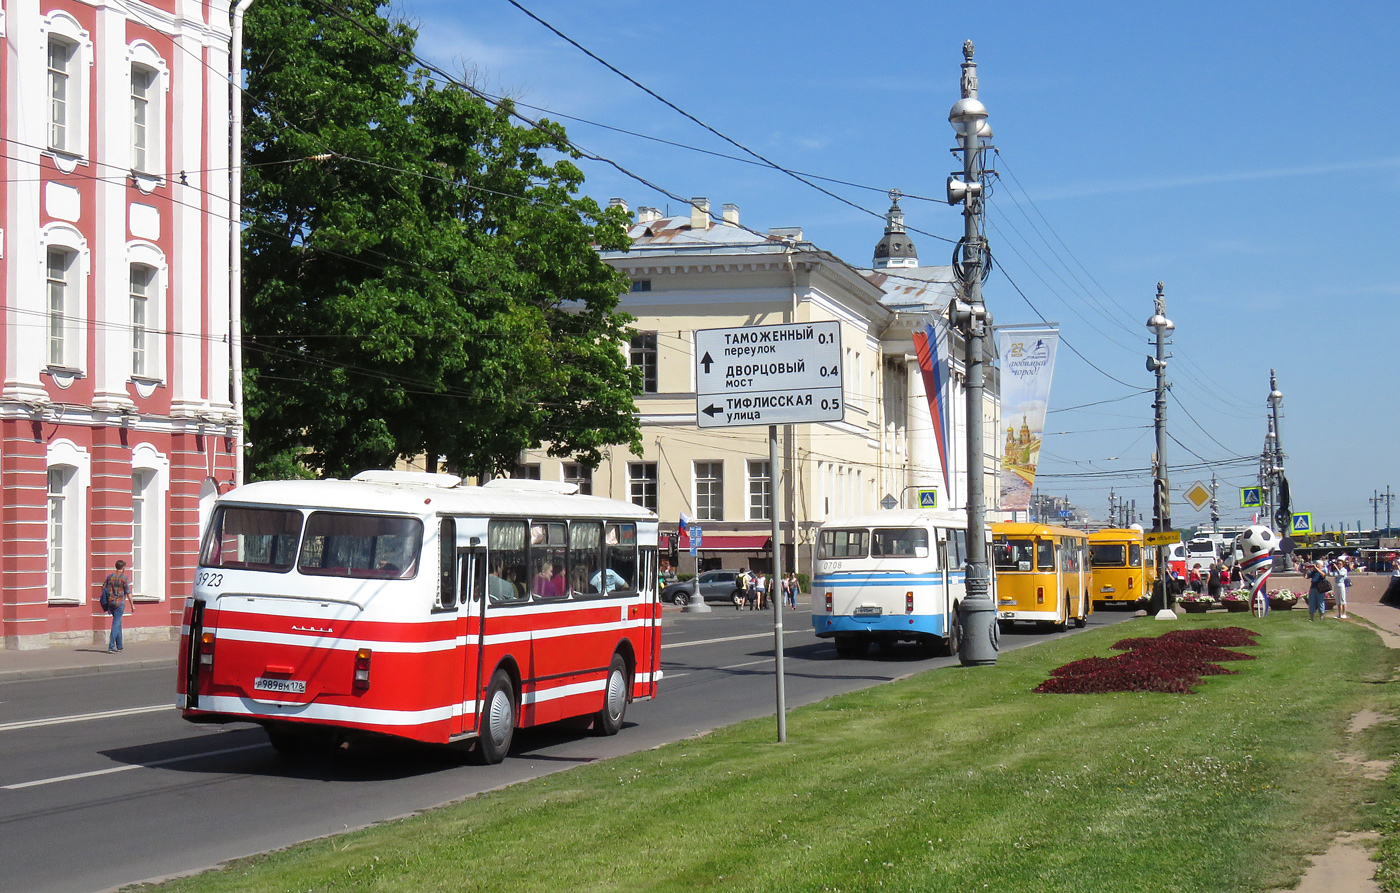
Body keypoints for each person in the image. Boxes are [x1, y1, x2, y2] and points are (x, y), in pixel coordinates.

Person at [101, 560, 134, 652]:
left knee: (118, 622)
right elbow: (128, 592)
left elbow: (103, 587)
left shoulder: (110, 577)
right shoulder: (124, 578)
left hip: (111, 602)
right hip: (119, 603)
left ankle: (119, 646)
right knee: (116, 624)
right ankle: (111, 646)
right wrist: (132, 605)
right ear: (123, 568)